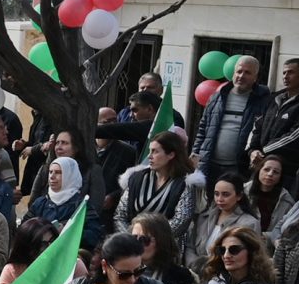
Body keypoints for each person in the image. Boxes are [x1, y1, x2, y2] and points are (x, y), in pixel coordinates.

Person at [191, 53, 272, 187]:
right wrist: (195, 154)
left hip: (239, 168)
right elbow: (203, 128)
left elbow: (263, 133)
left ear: (255, 77)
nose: (241, 76)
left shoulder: (264, 101)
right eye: (239, 71)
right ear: (233, 73)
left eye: (247, 73)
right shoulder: (217, 97)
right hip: (210, 165)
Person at [113, 131, 205, 233]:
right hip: (132, 239)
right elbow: (120, 215)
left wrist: (148, 236)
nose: (149, 156)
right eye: (150, 151)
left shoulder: (185, 184)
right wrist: (133, 237)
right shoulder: (137, 178)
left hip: (166, 241)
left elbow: (180, 222)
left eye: (155, 151)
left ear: (171, 155)